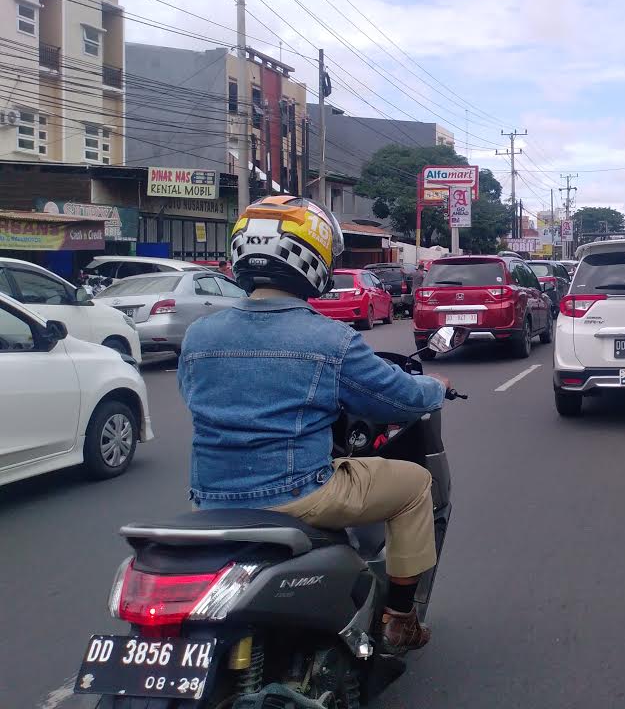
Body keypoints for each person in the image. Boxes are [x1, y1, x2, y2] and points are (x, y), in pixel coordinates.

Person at [178, 196, 448, 654]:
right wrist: (437, 387)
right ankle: (400, 617)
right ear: (313, 259)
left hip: (211, 497)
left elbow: (193, 397)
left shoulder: (200, 335)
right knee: (415, 484)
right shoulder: (330, 338)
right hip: (299, 494)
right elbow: (395, 399)